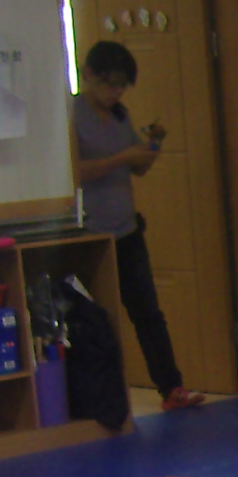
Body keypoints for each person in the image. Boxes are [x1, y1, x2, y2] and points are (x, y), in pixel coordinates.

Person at [71, 41, 204, 410]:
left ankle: (171, 388)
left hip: (126, 229)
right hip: (89, 235)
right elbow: (73, 171)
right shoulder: (71, 113)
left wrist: (154, 143)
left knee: (148, 313)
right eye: (110, 84)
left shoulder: (120, 116)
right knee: (96, 318)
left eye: (122, 86)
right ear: (89, 75)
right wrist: (120, 158)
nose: (116, 93)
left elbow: (139, 166)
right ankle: (103, 396)